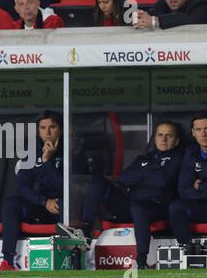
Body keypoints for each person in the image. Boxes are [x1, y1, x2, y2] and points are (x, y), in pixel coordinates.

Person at [80, 120, 185, 269]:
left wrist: (143, 174)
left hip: (158, 207)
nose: (164, 139)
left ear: (177, 141)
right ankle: (84, 232)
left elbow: (163, 181)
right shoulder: (143, 159)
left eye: (169, 135)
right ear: (154, 138)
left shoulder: (180, 159)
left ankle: (142, 260)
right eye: (160, 135)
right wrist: (153, 171)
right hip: (130, 206)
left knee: (138, 206)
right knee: (97, 181)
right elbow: (124, 179)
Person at [0, 111, 64, 271]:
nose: (47, 133)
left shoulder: (70, 147)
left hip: (64, 205)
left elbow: (62, 185)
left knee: (64, 203)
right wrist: (43, 202)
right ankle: (7, 260)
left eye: (52, 127)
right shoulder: (32, 149)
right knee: (12, 203)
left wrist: (47, 162)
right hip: (42, 205)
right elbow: (22, 187)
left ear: (60, 130)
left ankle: (68, 256)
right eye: (43, 128)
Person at [169, 112, 207, 248]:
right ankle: (188, 250)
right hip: (201, 207)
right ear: (193, 133)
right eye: (199, 129)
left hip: (199, 199)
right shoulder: (191, 153)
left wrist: (199, 186)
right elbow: (184, 190)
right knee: (176, 207)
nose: (203, 134)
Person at [133, 0, 207, 30]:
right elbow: (148, 17)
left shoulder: (199, 3)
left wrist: (155, 21)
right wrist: (139, 19)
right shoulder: (161, 5)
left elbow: (192, 19)